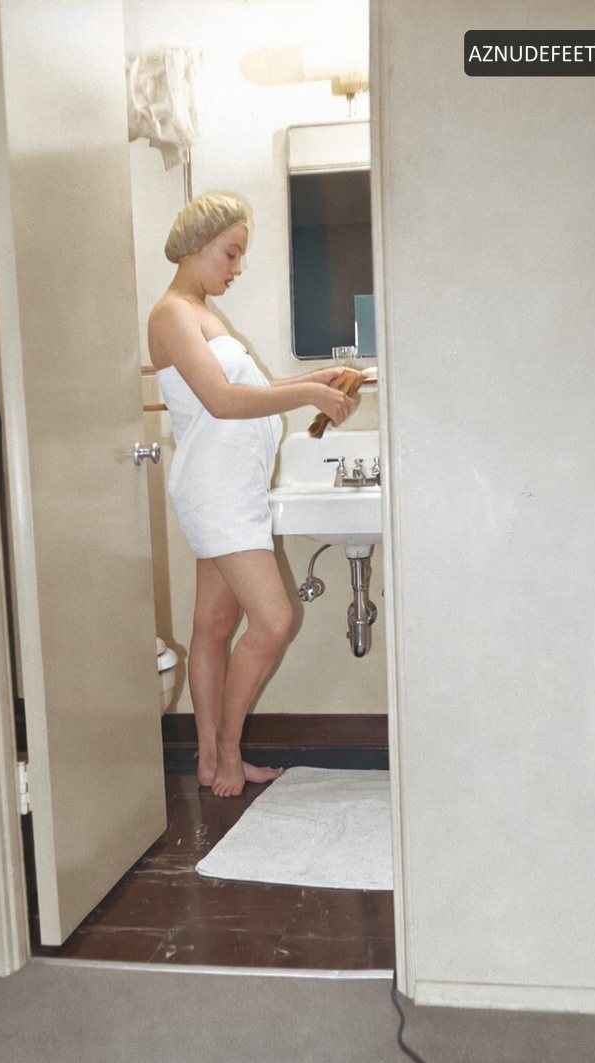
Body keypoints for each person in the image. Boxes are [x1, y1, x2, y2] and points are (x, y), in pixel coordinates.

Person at [148, 192, 361, 797]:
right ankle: (228, 751)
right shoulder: (172, 314)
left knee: (215, 624)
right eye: (231, 253)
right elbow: (221, 402)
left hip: (232, 486)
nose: (238, 267)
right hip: (216, 489)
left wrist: (311, 380)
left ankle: (209, 761)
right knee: (274, 621)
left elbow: (246, 393)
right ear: (197, 244)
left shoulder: (202, 313)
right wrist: (307, 396)